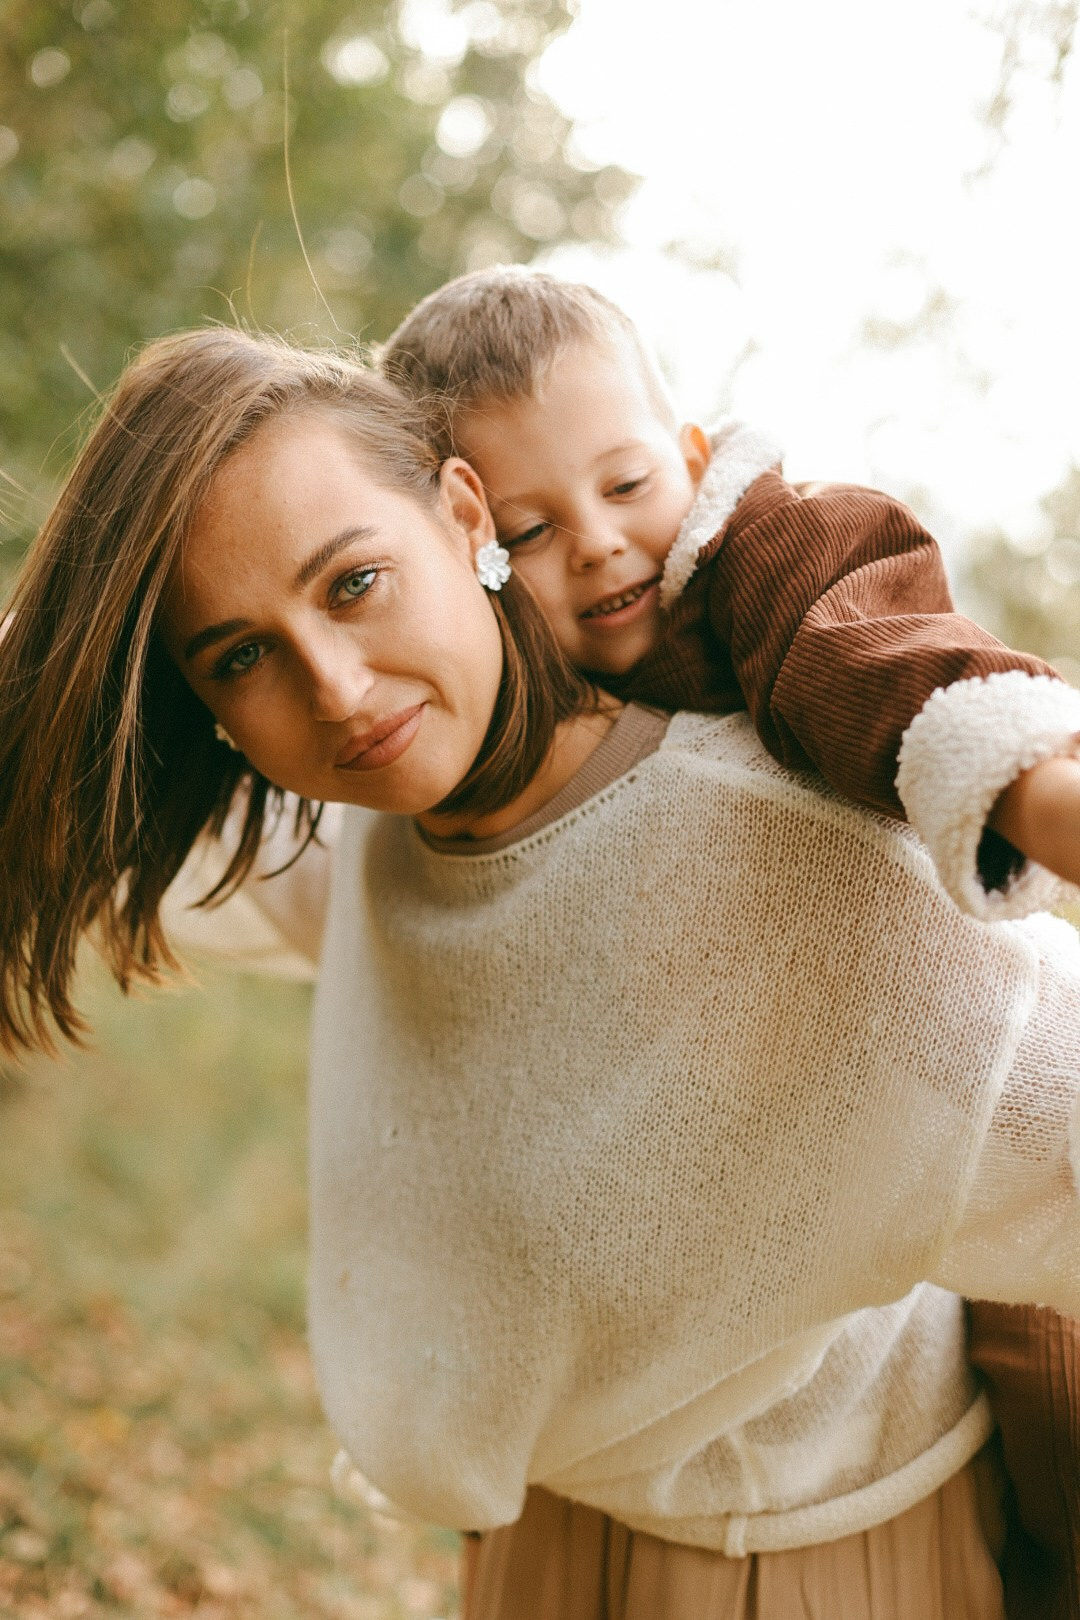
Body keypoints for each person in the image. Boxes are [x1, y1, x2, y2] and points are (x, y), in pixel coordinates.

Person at [2, 328, 1080, 1620]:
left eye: (353, 583)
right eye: (241, 655)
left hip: (811, 1567)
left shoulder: (790, 854)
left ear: (464, 515)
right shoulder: (368, 837)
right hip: (534, 1555)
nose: (337, 691)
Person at [380, 267, 1080, 1617]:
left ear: (693, 459)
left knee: (1048, 1436)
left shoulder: (763, 566)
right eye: (530, 527)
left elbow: (868, 640)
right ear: (459, 532)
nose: (596, 542)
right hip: (642, 1314)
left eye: (628, 484)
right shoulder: (487, 711)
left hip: (927, 1101)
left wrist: (1036, 787)